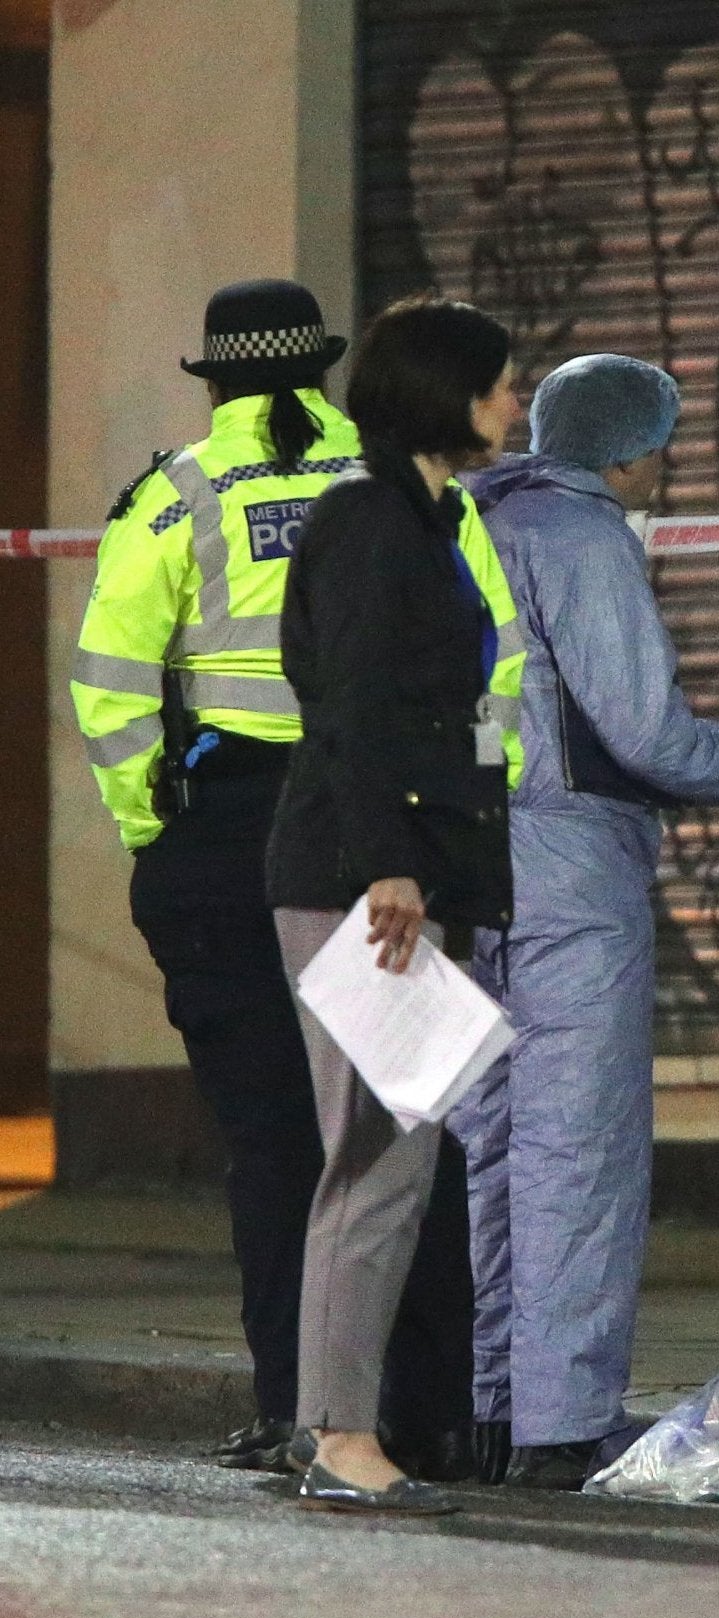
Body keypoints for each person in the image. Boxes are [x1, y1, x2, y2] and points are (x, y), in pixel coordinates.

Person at [71, 279, 479, 1478]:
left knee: (276, 1141)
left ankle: (294, 1407)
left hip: (233, 834)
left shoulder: (180, 491)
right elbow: (487, 647)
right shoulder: (402, 485)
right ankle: (430, 1414)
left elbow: (109, 678)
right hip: (387, 832)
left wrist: (155, 822)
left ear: (216, 379)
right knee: (407, 1128)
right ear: (321, 369)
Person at [452, 355, 719, 1490]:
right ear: (631, 451)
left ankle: (485, 1410)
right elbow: (642, 728)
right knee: (575, 1154)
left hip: (467, 863)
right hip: (569, 869)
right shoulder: (584, 540)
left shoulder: (472, 517)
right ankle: (562, 1422)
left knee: (484, 1147)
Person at [265, 295, 527, 1514]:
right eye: (499, 384)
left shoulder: (427, 518)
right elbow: (355, 708)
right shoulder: (374, 525)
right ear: (446, 396)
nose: (513, 403)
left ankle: (335, 1425)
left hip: (400, 877)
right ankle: (338, 1434)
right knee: (376, 1166)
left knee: (388, 1163)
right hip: (364, 885)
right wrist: (390, 865)